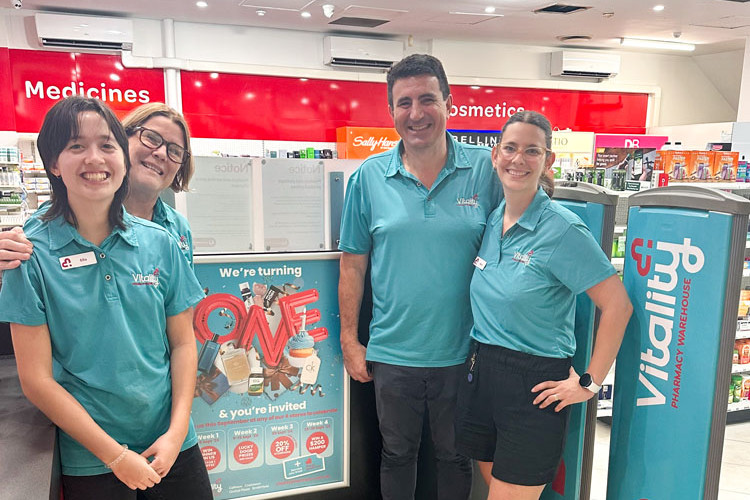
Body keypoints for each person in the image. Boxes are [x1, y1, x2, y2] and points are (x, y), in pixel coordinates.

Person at [0, 96, 212, 499]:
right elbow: (37, 379)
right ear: (52, 163)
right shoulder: (29, 254)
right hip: (92, 455)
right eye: (76, 146)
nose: (94, 158)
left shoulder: (162, 242)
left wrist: (177, 430)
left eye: (106, 145)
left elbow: (184, 342)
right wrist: (114, 456)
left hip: (173, 446)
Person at [338, 54, 502, 500]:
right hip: (392, 352)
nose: (416, 113)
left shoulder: (486, 172)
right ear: (391, 111)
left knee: (454, 457)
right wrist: (350, 340)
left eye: (427, 99)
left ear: (449, 102)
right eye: (403, 102)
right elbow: (353, 262)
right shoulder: (369, 178)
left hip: (464, 350)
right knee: (396, 455)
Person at [455, 110, 632, 500]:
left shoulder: (563, 230)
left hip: (535, 383)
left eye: (531, 151)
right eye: (510, 149)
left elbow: (618, 307)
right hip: (483, 372)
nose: (518, 160)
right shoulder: (493, 217)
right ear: (495, 156)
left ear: (548, 160)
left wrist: (589, 383)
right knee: (492, 487)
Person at [1, 102, 195, 267]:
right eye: (151, 138)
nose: (161, 153)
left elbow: (182, 302)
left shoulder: (178, 228)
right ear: (121, 140)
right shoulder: (54, 221)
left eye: (176, 151)